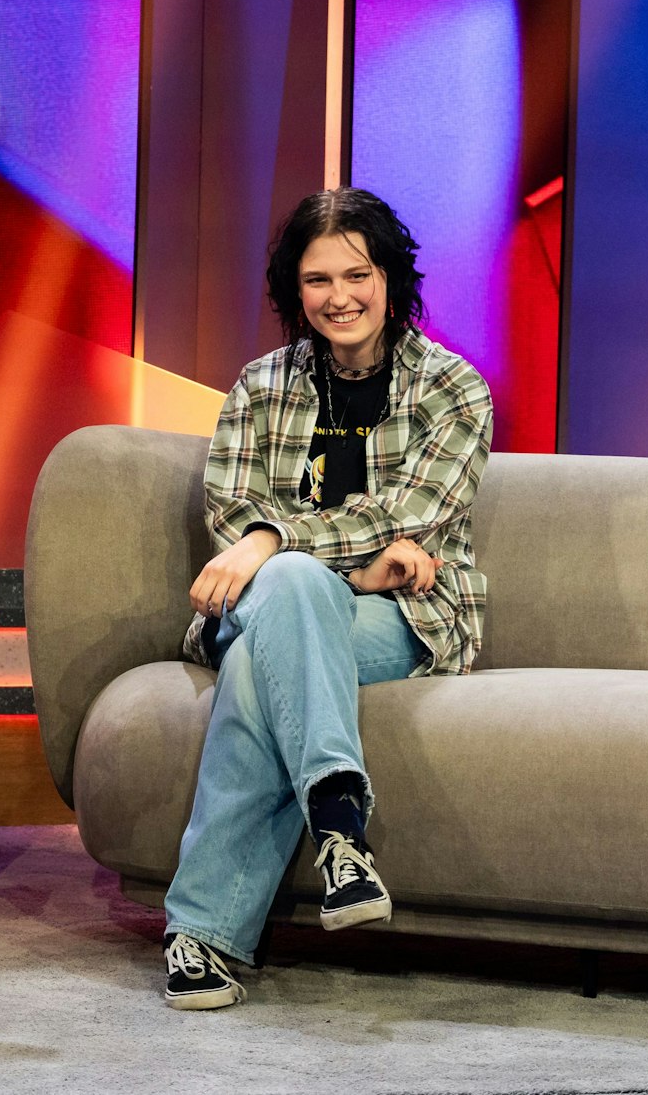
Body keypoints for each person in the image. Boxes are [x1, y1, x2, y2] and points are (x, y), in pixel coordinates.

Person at [161, 188, 492, 1010]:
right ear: (292, 290)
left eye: (358, 273)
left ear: (390, 278)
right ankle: (341, 830)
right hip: (299, 600)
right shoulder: (259, 386)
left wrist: (279, 542)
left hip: (407, 617)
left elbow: (408, 514)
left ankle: (199, 933)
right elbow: (231, 515)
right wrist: (351, 565)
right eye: (317, 280)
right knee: (296, 596)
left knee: (260, 665)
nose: (339, 296)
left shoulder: (454, 391)